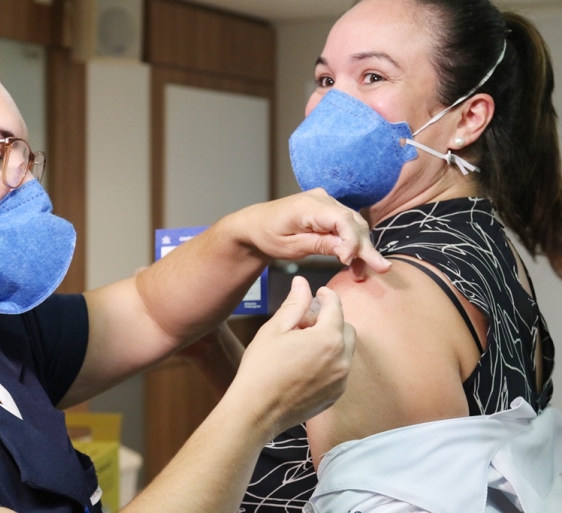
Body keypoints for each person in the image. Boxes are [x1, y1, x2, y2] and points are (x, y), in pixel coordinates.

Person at [0, 27, 393, 513]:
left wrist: (246, 233)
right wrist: (255, 409)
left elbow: (150, 307)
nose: (27, 186)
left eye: (28, 159)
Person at [175, 0, 560, 510]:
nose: (330, 106)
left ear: (467, 119)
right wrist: (215, 350)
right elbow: (310, 442)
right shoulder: (486, 245)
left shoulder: (373, 295)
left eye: (373, 76)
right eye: (327, 79)